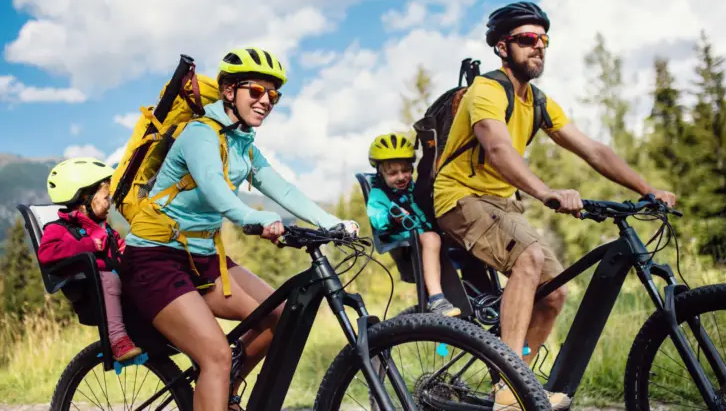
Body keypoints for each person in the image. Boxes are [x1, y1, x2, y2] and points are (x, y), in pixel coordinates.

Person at [432, 2, 677, 410]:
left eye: (544, 40)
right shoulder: (488, 91)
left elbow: (593, 150)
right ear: (501, 47)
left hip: (502, 204)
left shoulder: (539, 102)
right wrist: (545, 191)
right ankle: (509, 392)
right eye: (528, 39)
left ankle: (519, 381)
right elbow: (496, 148)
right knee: (529, 259)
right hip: (460, 197)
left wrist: (647, 189)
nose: (539, 47)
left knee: (554, 295)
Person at [119, 46, 359, 411]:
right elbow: (215, 189)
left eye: (273, 95)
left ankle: (221, 389)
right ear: (229, 91)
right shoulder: (200, 134)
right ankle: (215, 377)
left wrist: (332, 223)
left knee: (280, 317)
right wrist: (255, 218)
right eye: (257, 91)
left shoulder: (243, 144)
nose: (266, 101)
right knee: (214, 355)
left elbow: (282, 188)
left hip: (202, 258)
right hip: (155, 260)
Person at [39, 158, 142, 362]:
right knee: (109, 279)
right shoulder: (58, 229)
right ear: (86, 199)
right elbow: (46, 253)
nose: (109, 204)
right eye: (106, 198)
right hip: (90, 292)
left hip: (119, 287)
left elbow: (121, 250)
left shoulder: (105, 229)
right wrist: (88, 245)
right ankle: (118, 340)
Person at [366, 133, 460, 317]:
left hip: (425, 239)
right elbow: (377, 219)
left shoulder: (414, 189)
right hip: (407, 247)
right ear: (380, 173)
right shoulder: (378, 195)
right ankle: (436, 299)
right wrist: (393, 217)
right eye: (393, 173)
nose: (401, 177)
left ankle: (480, 293)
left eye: (406, 170)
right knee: (432, 238)